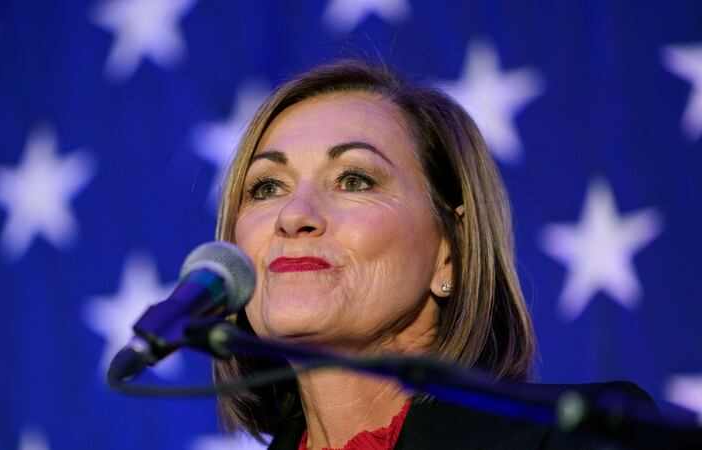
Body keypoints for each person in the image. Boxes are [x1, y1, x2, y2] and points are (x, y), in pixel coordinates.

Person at [211, 60, 650, 450]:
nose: (293, 215)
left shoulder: (589, 435)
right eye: (267, 188)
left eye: (354, 180)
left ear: (450, 253)